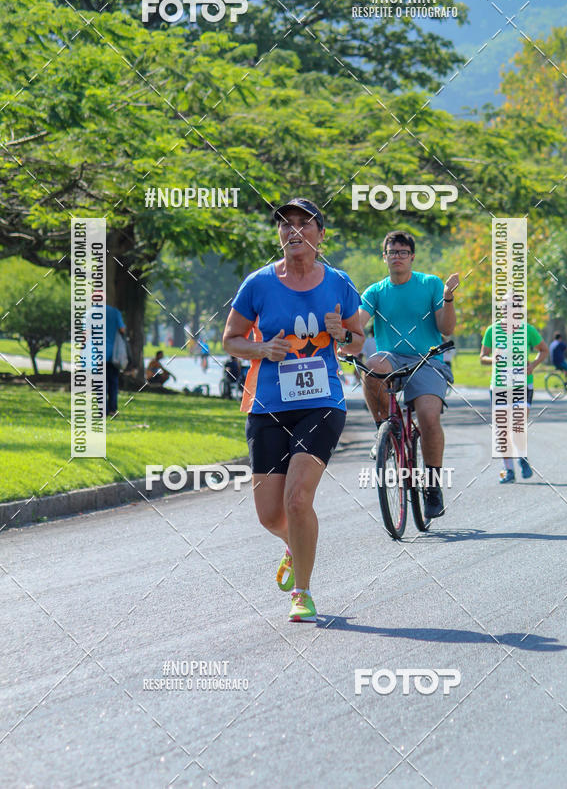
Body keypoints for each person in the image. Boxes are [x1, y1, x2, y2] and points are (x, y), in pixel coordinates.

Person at [222, 198, 364, 622]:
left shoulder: (339, 283)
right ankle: (295, 543)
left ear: (321, 234)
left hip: (321, 403)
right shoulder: (258, 284)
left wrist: (344, 337)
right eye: (286, 224)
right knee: (270, 514)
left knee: (298, 498)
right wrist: (261, 347)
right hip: (267, 404)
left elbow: (357, 342)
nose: (294, 230)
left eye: (305, 223)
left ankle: (302, 592)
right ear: (279, 234)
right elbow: (231, 339)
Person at [358, 230, 459, 519]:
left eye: (403, 252)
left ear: (412, 257)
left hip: (427, 358)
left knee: (428, 417)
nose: (397, 256)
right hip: (392, 358)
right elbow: (360, 322)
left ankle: (433, 487)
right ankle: (384, 430)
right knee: (372, 365)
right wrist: (345, 332)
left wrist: (448, 298)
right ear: (384, 257)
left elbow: (447, 328)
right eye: (392, 252)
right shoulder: (376, 291)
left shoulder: (430, 284)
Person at [480, 314, 548, 483]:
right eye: (506, 306)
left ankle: (522, 458)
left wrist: (532, 365)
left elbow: (544, 350)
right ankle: (508, 470)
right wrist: (493, 359)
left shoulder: (528, 330)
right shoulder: (492, 330)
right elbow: (482, 357)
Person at [84, 294, 126, 417]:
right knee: (113, 382)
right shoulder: (115, 312)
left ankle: (102, 410)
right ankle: (113, 410)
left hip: (96, 354)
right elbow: (122, 330)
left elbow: (85, 334)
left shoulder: (89, 314)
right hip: (114, 354)